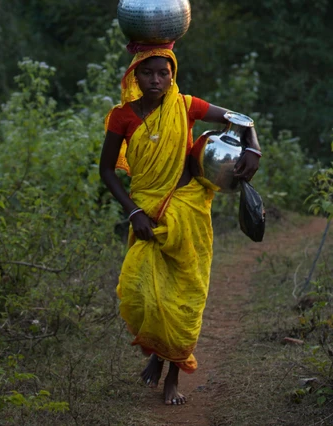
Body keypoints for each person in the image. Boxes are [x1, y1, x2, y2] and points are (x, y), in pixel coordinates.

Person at [99, 46, 261, 406]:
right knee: (144, 295)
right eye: (148, 73)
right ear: (133, 76)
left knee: (183, 297)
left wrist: (255, 149)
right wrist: (133, 212)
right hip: (145, 213)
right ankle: (158, 353)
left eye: (163, 73)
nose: (156, 80)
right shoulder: (121, 117)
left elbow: (242, 119)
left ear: (172, 75)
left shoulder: (186, 105)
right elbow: (107, 170)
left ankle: (173, 374)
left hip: (188, 209)